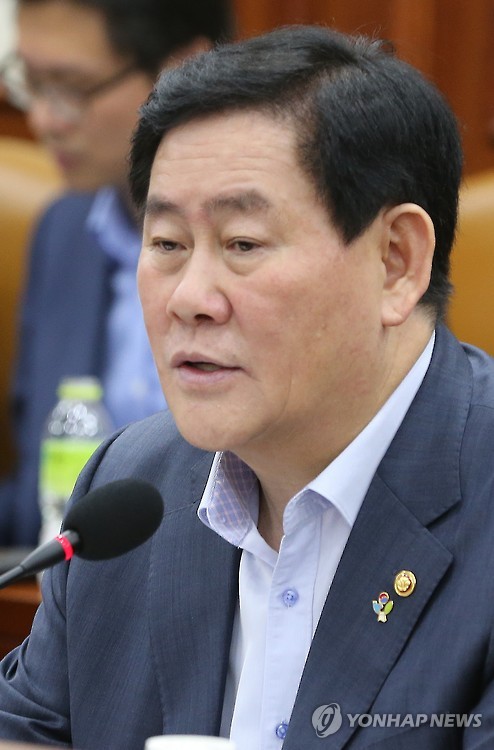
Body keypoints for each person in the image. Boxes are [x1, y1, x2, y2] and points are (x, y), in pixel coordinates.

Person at [0, 22, 492, 750]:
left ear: (395, 261)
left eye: (242, 244)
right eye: (167, 244)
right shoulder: (129, 486)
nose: (189, 298)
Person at [0, 0, 234, 546]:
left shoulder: (268, 249)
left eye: (71, 87)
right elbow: (38, 503)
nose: (44, 119)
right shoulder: (65, 230)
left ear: (182, 70)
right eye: (29, 82)